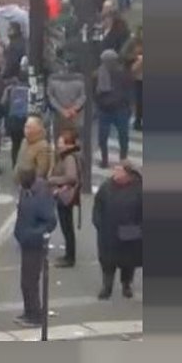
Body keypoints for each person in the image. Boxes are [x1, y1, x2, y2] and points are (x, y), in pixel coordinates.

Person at [13, 167, 57, 327]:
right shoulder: (26, 192)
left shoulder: (41, 196)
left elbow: (51, 221)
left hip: (35, 244)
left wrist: (33, 234)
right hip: (25, 241)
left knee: (30, 281)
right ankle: (29, 312)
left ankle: (35, 315)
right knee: (26, 281)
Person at [93, 160, 143, 300]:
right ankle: (107, 287)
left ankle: (126, 284)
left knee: (128, 261)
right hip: (108, 231)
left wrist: (139, 228)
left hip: (130, 231)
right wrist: (98, 223)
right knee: (108, 261)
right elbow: (98, 206)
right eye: (115, 170)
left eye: (119, 170)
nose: (115, 173)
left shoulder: (139, 188)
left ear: (128, 174)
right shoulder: (106, 187)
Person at [47, 129, 83, 268]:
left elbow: (71, 177)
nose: (58, 145)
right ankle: (69, 255)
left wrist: (52, 180)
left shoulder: (69, 158)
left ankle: (70, 257)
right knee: (67, 227)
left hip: (65, 196)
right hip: (66, 195)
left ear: (69, 145)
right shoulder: (69, 156)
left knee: (67, 227)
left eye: (61, 143)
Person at [94, 49, 133, 168]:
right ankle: (104, 160)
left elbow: (129, 91)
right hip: (105, 109)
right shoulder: (99, 74)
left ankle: (123, 158)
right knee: (103, 137)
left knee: (123, 136)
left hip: (120, 109)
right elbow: (93, 91)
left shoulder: (124, 73)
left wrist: (127, 106)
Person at [13, 116, 53, 183]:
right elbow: (19, 160)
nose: (25, 130)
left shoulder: (43, 146)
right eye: (25, 127)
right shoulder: (24, 141)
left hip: (31, 184)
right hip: (20, 182)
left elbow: (42, 170)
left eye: (28, 127)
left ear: (37, 129)